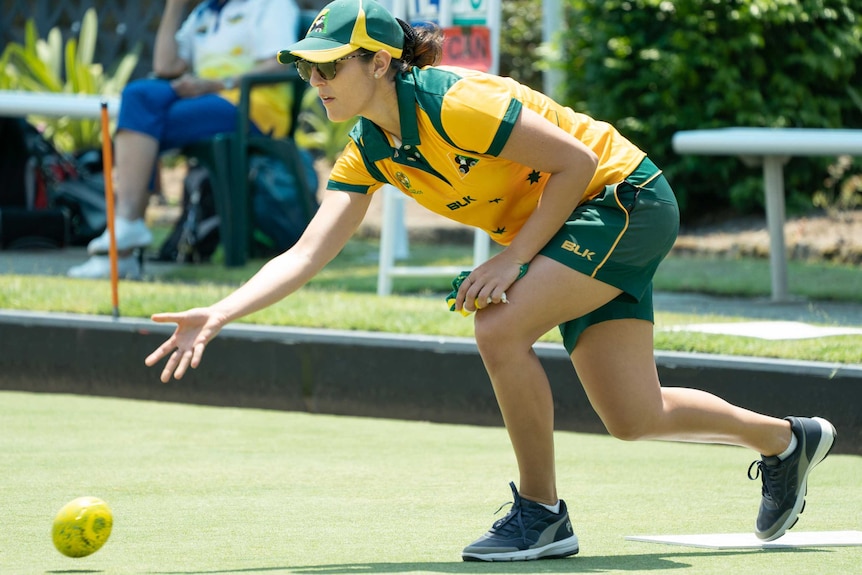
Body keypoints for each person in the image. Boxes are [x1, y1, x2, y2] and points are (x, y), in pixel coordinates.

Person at [144, 0, 837, 561]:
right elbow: (306, 252)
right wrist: (220, 313)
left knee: (498, 324)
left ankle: (541, 512)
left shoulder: (455, 102)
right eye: (308, 69)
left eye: (329, 66)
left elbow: (572, 164)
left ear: (379, 62)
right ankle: (785, 439)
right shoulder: (372, 148)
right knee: (634, 415)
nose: (316, 81)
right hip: (577, 225)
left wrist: (512, 261)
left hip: (623, 198)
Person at [68, 0, 301, 279]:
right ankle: (126, 227)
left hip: (251, 109)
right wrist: (174, 7)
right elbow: (165, 66)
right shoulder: (204, 11)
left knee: (142, 128)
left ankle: (122, 243)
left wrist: (217, 84)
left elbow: (279, 64)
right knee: (138, 96)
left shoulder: (272, 5)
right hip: (202, 100)